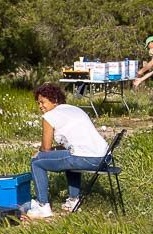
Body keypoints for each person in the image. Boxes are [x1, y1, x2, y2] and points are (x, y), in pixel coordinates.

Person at [25, 82, 109, 219]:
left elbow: (45, 149)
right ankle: (73, 200)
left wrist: (39, 153)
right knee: (68, 156)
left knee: (36, 162)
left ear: (55, 100)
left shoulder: (50, 116)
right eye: (38, 103)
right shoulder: (75, 109)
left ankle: (42, 206)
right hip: (104, 158)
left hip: (85, 159)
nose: (40, 106)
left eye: (43, 102)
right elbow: (72, 144)